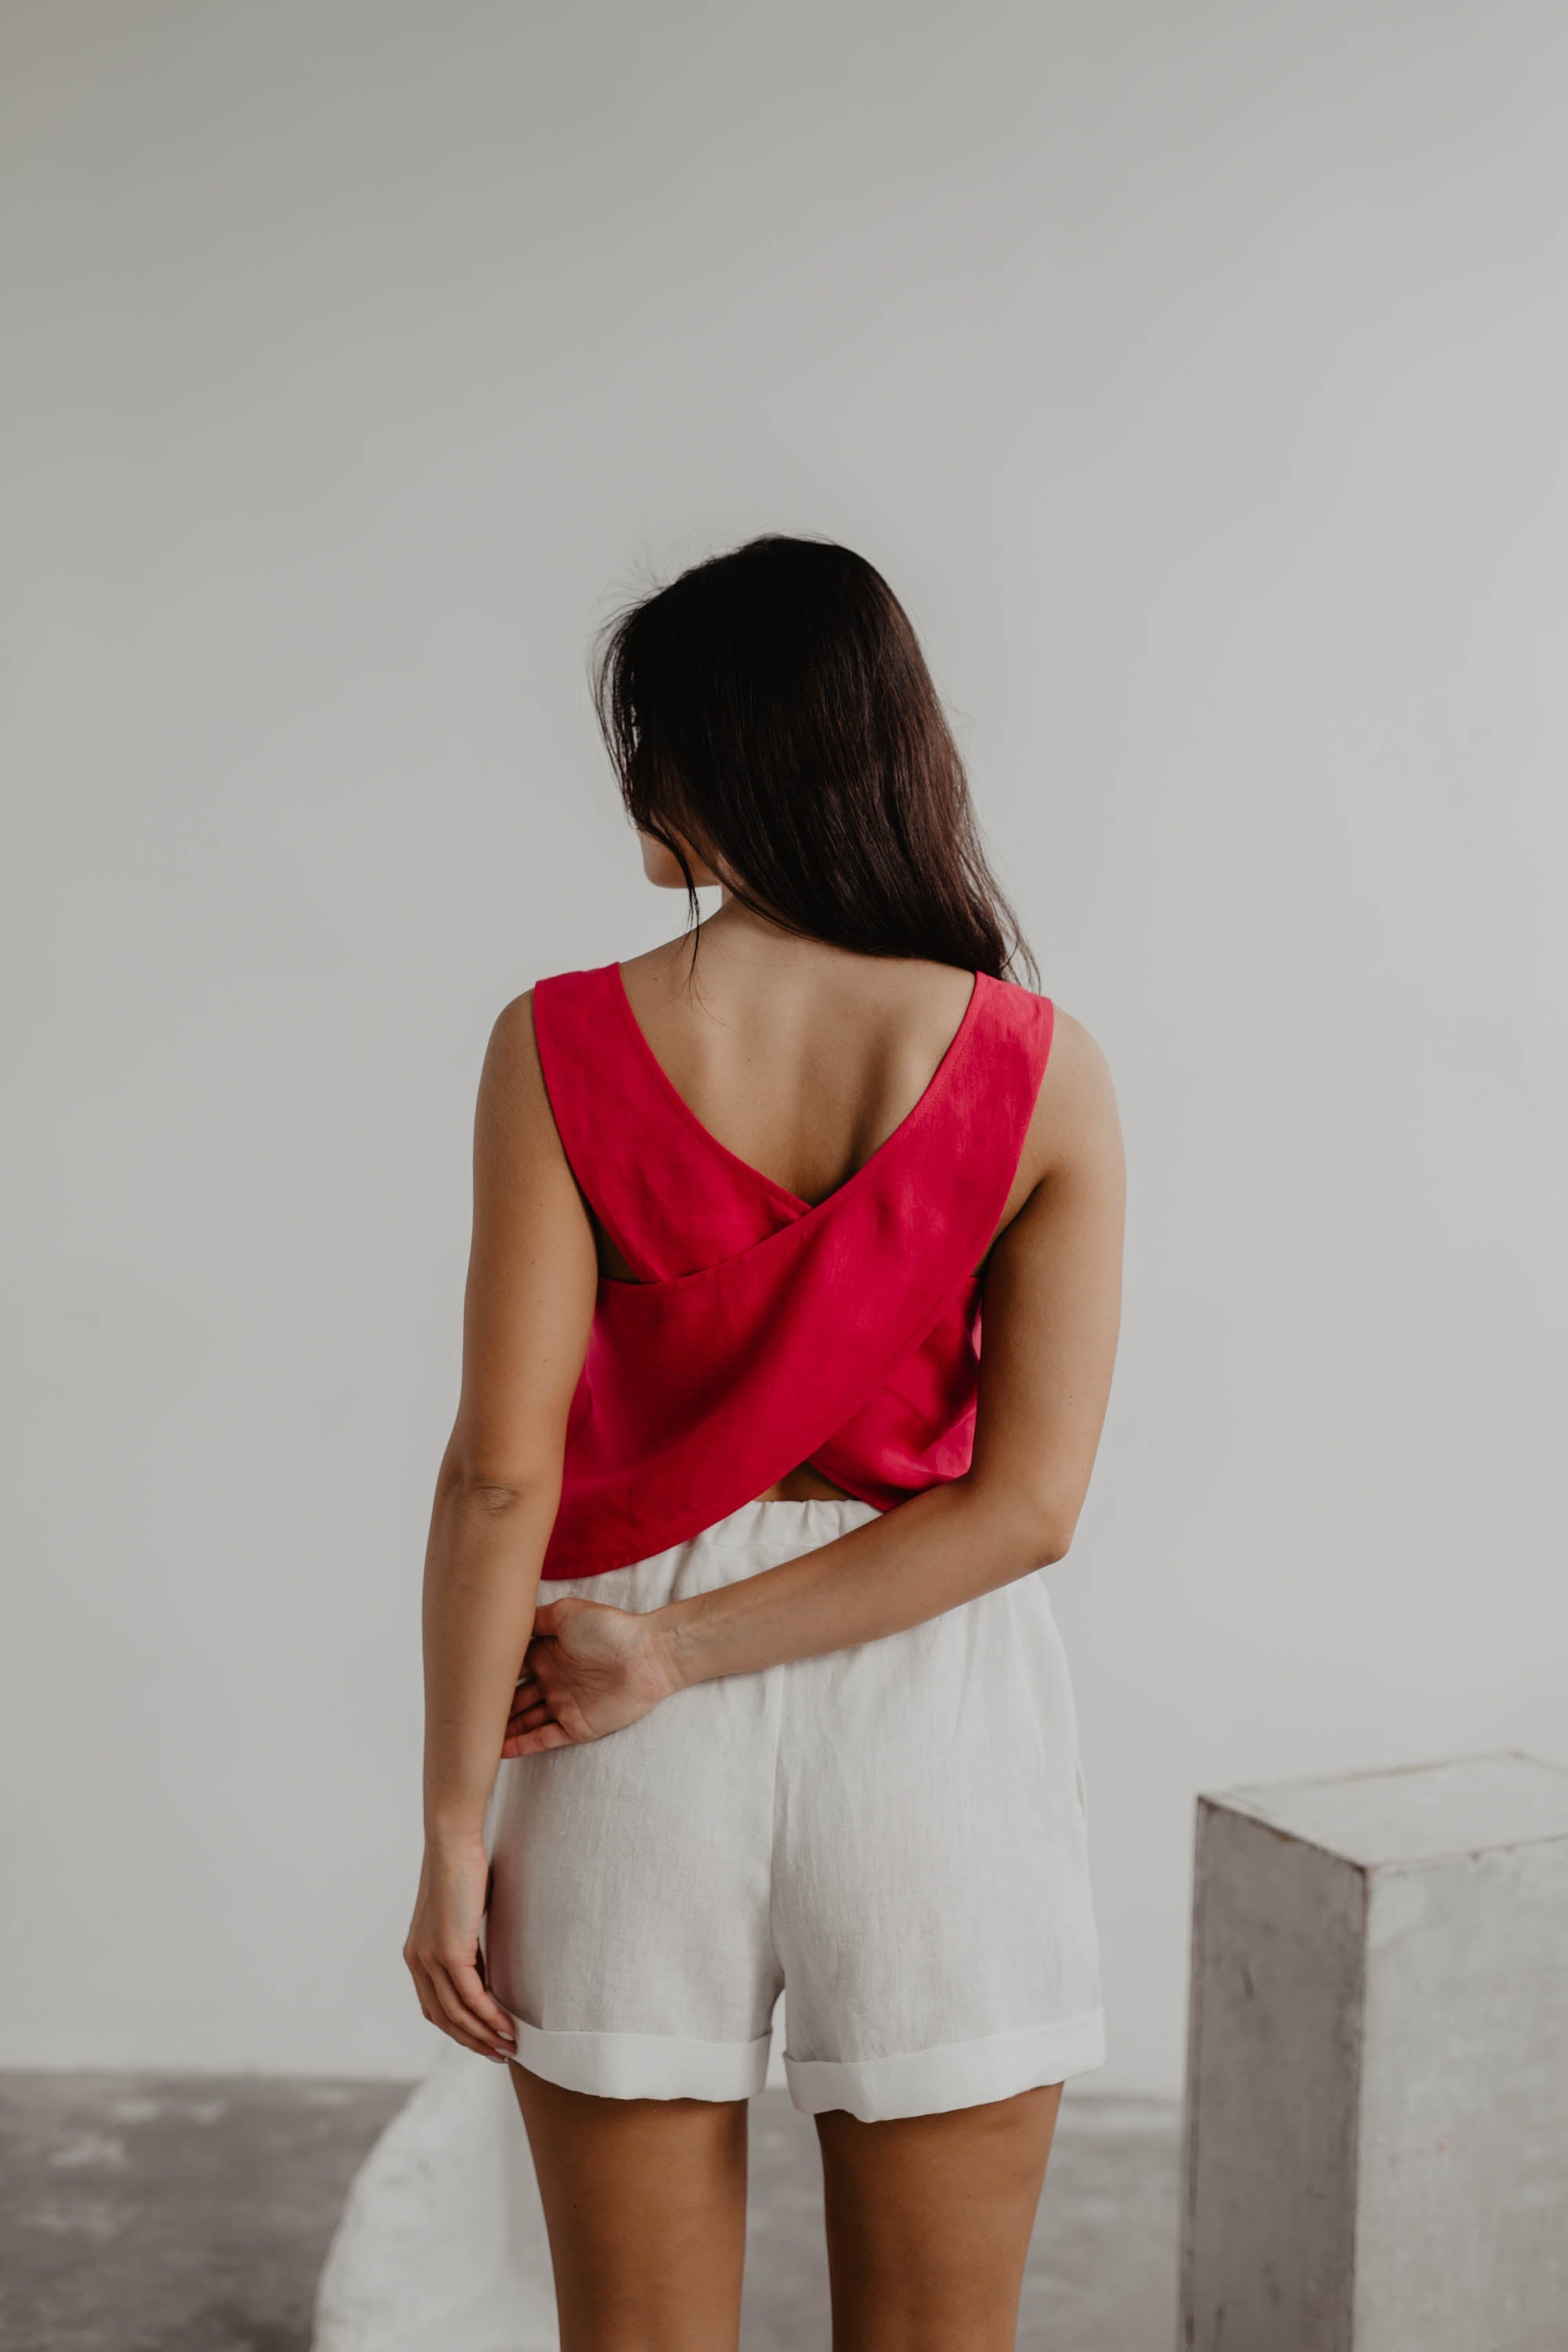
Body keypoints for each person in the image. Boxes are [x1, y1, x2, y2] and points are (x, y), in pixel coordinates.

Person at [401, 535, 1124, 2352]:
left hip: (603, 1705)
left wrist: (447, 1825)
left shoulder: (557, 1042)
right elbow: (1027, 1507)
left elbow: (500, 1469)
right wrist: (689, 1654)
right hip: (929, 1698)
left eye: (644, 734)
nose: (627, 780)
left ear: (719, 754)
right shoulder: (1040, 1065)